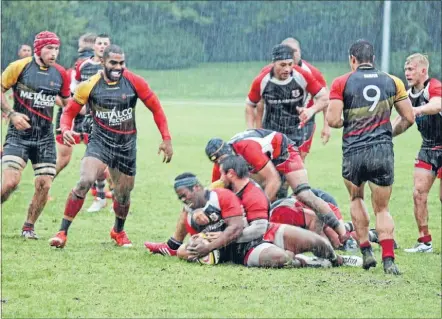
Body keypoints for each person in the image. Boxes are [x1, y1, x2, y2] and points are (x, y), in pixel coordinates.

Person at [48, 44, 173, 248]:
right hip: (100, 142)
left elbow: (156, 108)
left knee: (123, 193)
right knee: (85, 180)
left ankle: (118, 231)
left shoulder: (134, 81)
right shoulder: (90, 85)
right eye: (113, 63)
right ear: (103, 62)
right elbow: (69, 111)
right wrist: (65, 128)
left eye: (121, 63)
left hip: (126, 145)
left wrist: (166, 138)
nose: (118, 67)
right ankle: (62, 232)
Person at [327, 39, 415, 274]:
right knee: (382, 208)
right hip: (381, 151)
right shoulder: (392, 80)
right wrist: (388, 132)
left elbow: (333, 120)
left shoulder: (341, 82)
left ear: (352, 60)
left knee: (356, 198)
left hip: (354, 151)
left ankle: (365, 251)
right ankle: (388, 260)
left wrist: (354, 122)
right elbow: (409, 117)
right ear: (373, 59)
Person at [205, 129, 349, 244]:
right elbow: (218, 194)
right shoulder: (221, 167)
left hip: (284, 151)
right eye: (219, 162)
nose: (223, 163)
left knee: (303, 194)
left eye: (225, 158)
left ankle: (343, 232)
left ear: (229, 150)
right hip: (265, 161)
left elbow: (273, 180)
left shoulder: (246, 147)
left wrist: (258, 212)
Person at [1, 31, 70, 238]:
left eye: (57, 48)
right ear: (39, 48)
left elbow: (68, 105)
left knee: (44, 184)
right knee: (10, 182)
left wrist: (67, 126)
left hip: (45, 138)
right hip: (18, 134)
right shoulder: (19, 67)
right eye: (49, 48)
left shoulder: (60, 74)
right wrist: (12, 114)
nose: (54, 53)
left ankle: (28, 227)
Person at [55, 33, 113, 213]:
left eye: (105, 44)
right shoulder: (83, 66)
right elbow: (71, 92)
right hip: (76, 117)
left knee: (103, 161)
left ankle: (105, 196)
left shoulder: (114, 67)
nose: (102, 46)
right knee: (64, 157)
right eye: (99, 43)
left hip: (99, 121)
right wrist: (76, 108)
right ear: (94, 47)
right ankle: (44, 183)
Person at [392, 53, 441, 253]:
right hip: (428, 147)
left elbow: (438, 105)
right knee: (418, 193)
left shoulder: (433, 86)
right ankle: (425, 242)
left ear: (423, 70)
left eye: (411, 69)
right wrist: (386, 135)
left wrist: (417, 110)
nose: (407, 73)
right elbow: (404, 121)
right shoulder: (408, 94)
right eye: (406, 69)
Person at [257, 38, 331, 160]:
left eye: (294, 51)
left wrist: (326, 126)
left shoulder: (311, 72)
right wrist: (258, 128)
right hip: (275, 120)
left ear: (300, 52)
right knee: (272, 157)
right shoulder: (268, 72)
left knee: (298, 158)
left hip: (304, 120)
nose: (291, 55)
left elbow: (325, 97)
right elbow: (259, 101)